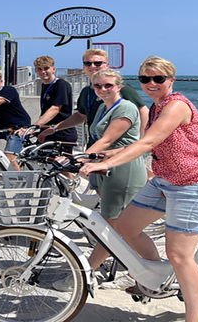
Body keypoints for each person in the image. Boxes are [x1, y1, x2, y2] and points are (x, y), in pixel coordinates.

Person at [80, 56, 198, 322]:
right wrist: (94, 157)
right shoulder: (157, 107)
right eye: (146, 79)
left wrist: (108, 162)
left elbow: (149, 142)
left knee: (179, 255)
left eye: (159, 78)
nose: (151, 83)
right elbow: (142, 142)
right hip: (165, 180)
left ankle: (194, 319)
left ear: (171, 80)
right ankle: (153, 276)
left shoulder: (176, 105)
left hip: (194, 184)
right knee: (124, 226)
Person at [53, 69, 147, 291]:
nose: (103, 89)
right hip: (105, 169)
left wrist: (76, 157)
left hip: (122, 170)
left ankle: (84, 273)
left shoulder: (125, 108)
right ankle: (138, 272)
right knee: (117, 226)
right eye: (98, 86)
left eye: (108, 85)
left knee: (111, 226)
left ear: (118, 86)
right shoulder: (105, 108)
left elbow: (107, 140)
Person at [37, 48, 148, 147]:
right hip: (94, 144)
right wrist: (54, 128)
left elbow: (143, 111)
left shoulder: (120, 88)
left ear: (107, 65)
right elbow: (81, 115)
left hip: (118, 147)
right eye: (88, 63)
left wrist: (139, 141)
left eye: (98, 63)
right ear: (83, 67)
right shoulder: (86, 91)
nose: (93, 66)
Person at [18, 56, 77, 149]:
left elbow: (55, 109)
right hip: (47, 131)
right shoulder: (44, 85)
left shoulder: (61, 85)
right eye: (39, 69)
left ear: (53, 69)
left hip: (62, 132)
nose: (43, 72)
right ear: (35, 71)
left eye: (46, 68)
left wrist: (34, 127)